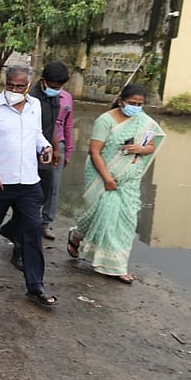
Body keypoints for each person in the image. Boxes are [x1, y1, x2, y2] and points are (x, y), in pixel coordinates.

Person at [0, 65, 57, 308]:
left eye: (20, 86)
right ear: (5, 82)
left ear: (28, 86)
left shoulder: (35, 106)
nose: (14, 89)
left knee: (32, 230)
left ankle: (35, 284)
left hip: (28, 180)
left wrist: (45, 147)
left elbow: (37, 134)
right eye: (10, 85)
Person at [67, 83, 165, 284]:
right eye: (132, 103)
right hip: (102, 175)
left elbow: (151, 148)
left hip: (129, 180)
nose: (136, 107)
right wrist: (108, 179)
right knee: (102, 215)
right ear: (121, 101)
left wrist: (140, 148)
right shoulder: (105, 120)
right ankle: (77, 237)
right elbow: (94, 152)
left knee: (126, 221)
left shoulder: (144, 122)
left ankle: (116, 265)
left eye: (140, 104)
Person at [0, 61, 66, 265]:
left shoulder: (52, 100)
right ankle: (19, 249)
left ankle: (11, 229)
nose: (56, 90)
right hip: (22, 159)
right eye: (53, 86)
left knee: (39, 199)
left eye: (59, 87)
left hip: (42, 156)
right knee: (26, 208)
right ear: (43, 81)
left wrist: (54, 147)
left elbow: (49, 126)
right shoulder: (29, 98)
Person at [44, 85, 75, 238]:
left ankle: (46, 222)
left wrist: (68, 151)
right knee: (33, 186)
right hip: (39, 144)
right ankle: (28, 220)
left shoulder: (66, 98)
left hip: (59, 147)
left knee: (53, 186)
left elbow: (68, 125)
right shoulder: (37, 96)